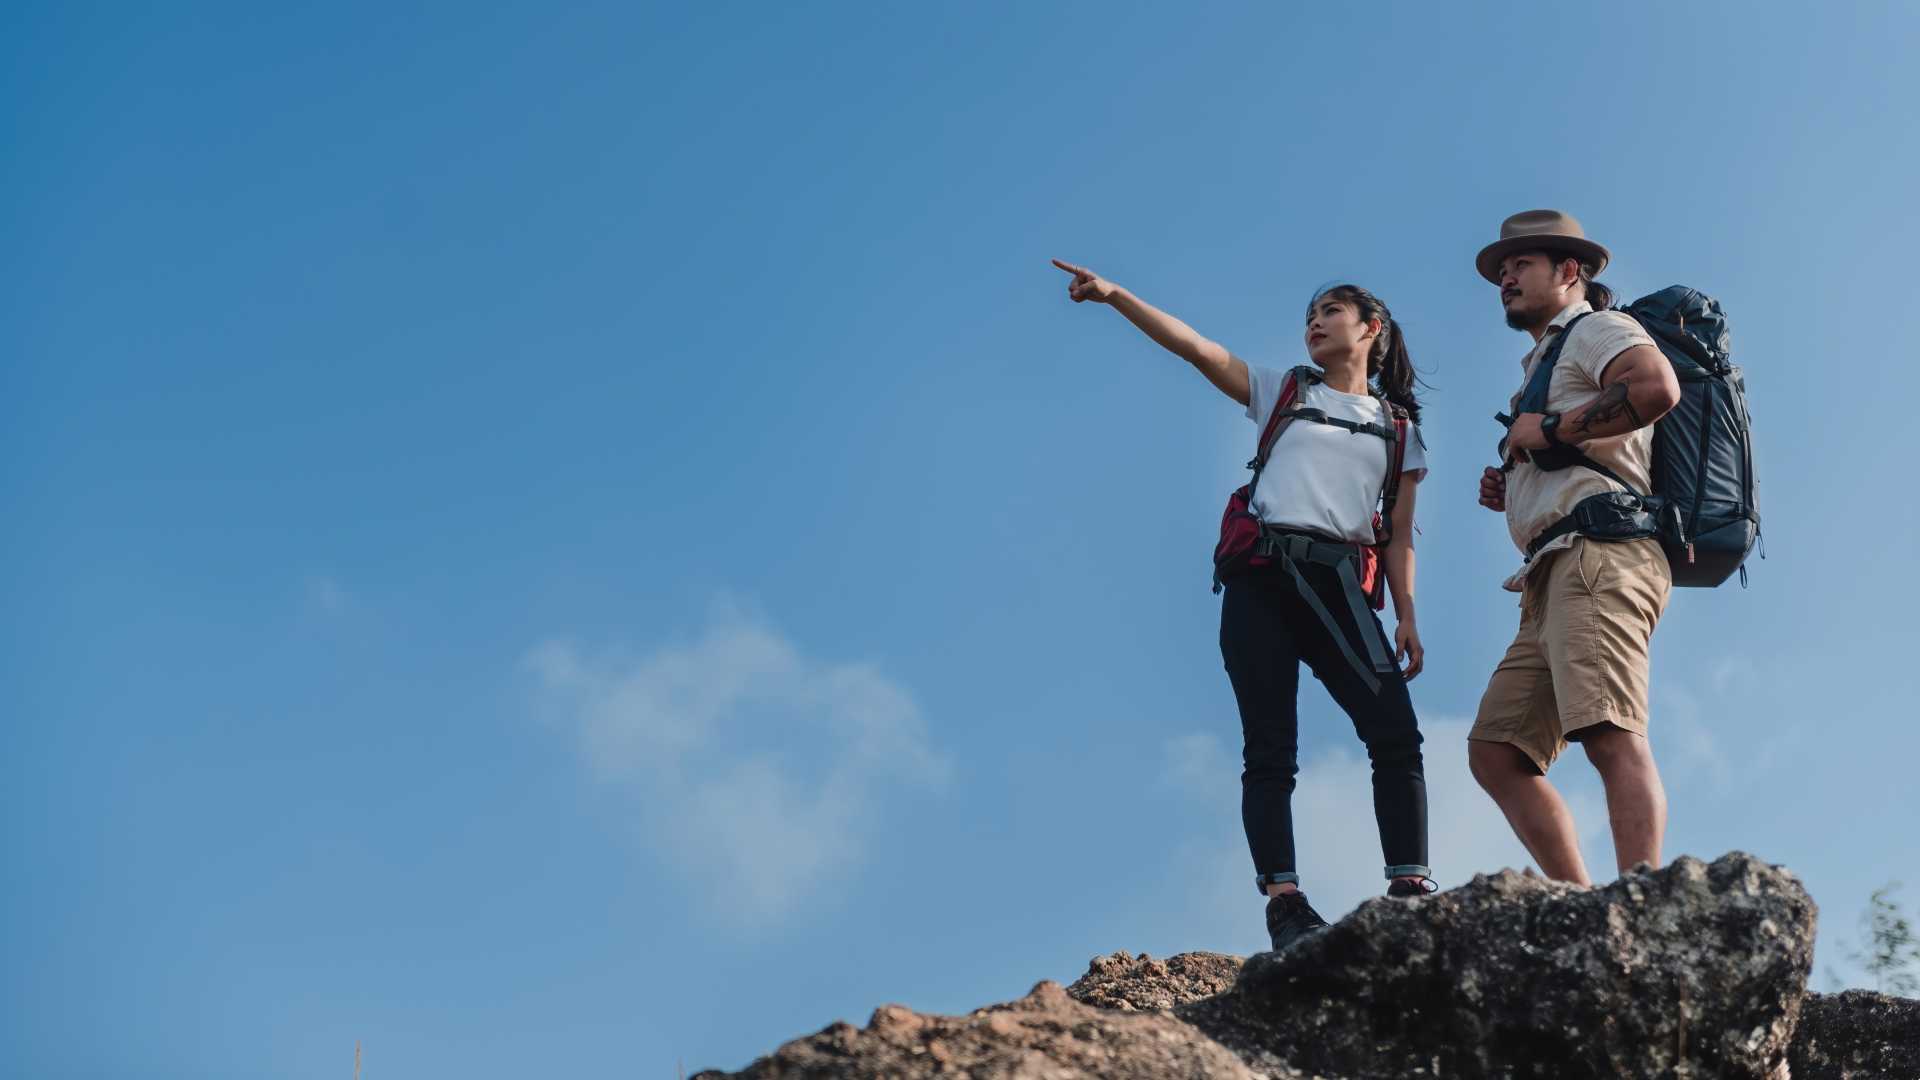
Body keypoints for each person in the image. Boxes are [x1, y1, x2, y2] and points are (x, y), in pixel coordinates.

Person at [1052, 257, 1434, 951]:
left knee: (1396, 736)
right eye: (1309, 318)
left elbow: (1401, 535)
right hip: (1261, 576)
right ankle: (1286, 904)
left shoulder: (1399, 430)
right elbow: (1194, 347)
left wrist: (1406, 614)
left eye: (1331, 314)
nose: (1315, 325)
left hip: (1339, 586)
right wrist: (1116, 296)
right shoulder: (1282, 390)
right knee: (1270, 748)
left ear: (1370, 330)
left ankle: (1411, 886)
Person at [1467, 210, 1683, 886]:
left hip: (1598, 552)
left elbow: (1655, 388)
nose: (1505, 277)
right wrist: (1521, 478)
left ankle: (1641, 908)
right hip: (1553, 567)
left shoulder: (1597, 328)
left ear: (1569, 272)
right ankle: (1582, 909)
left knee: (1611, 731)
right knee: (1498, 751)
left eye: (1520, 265)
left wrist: (1552, 430)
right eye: (1502, 269)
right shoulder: (1546, 359)